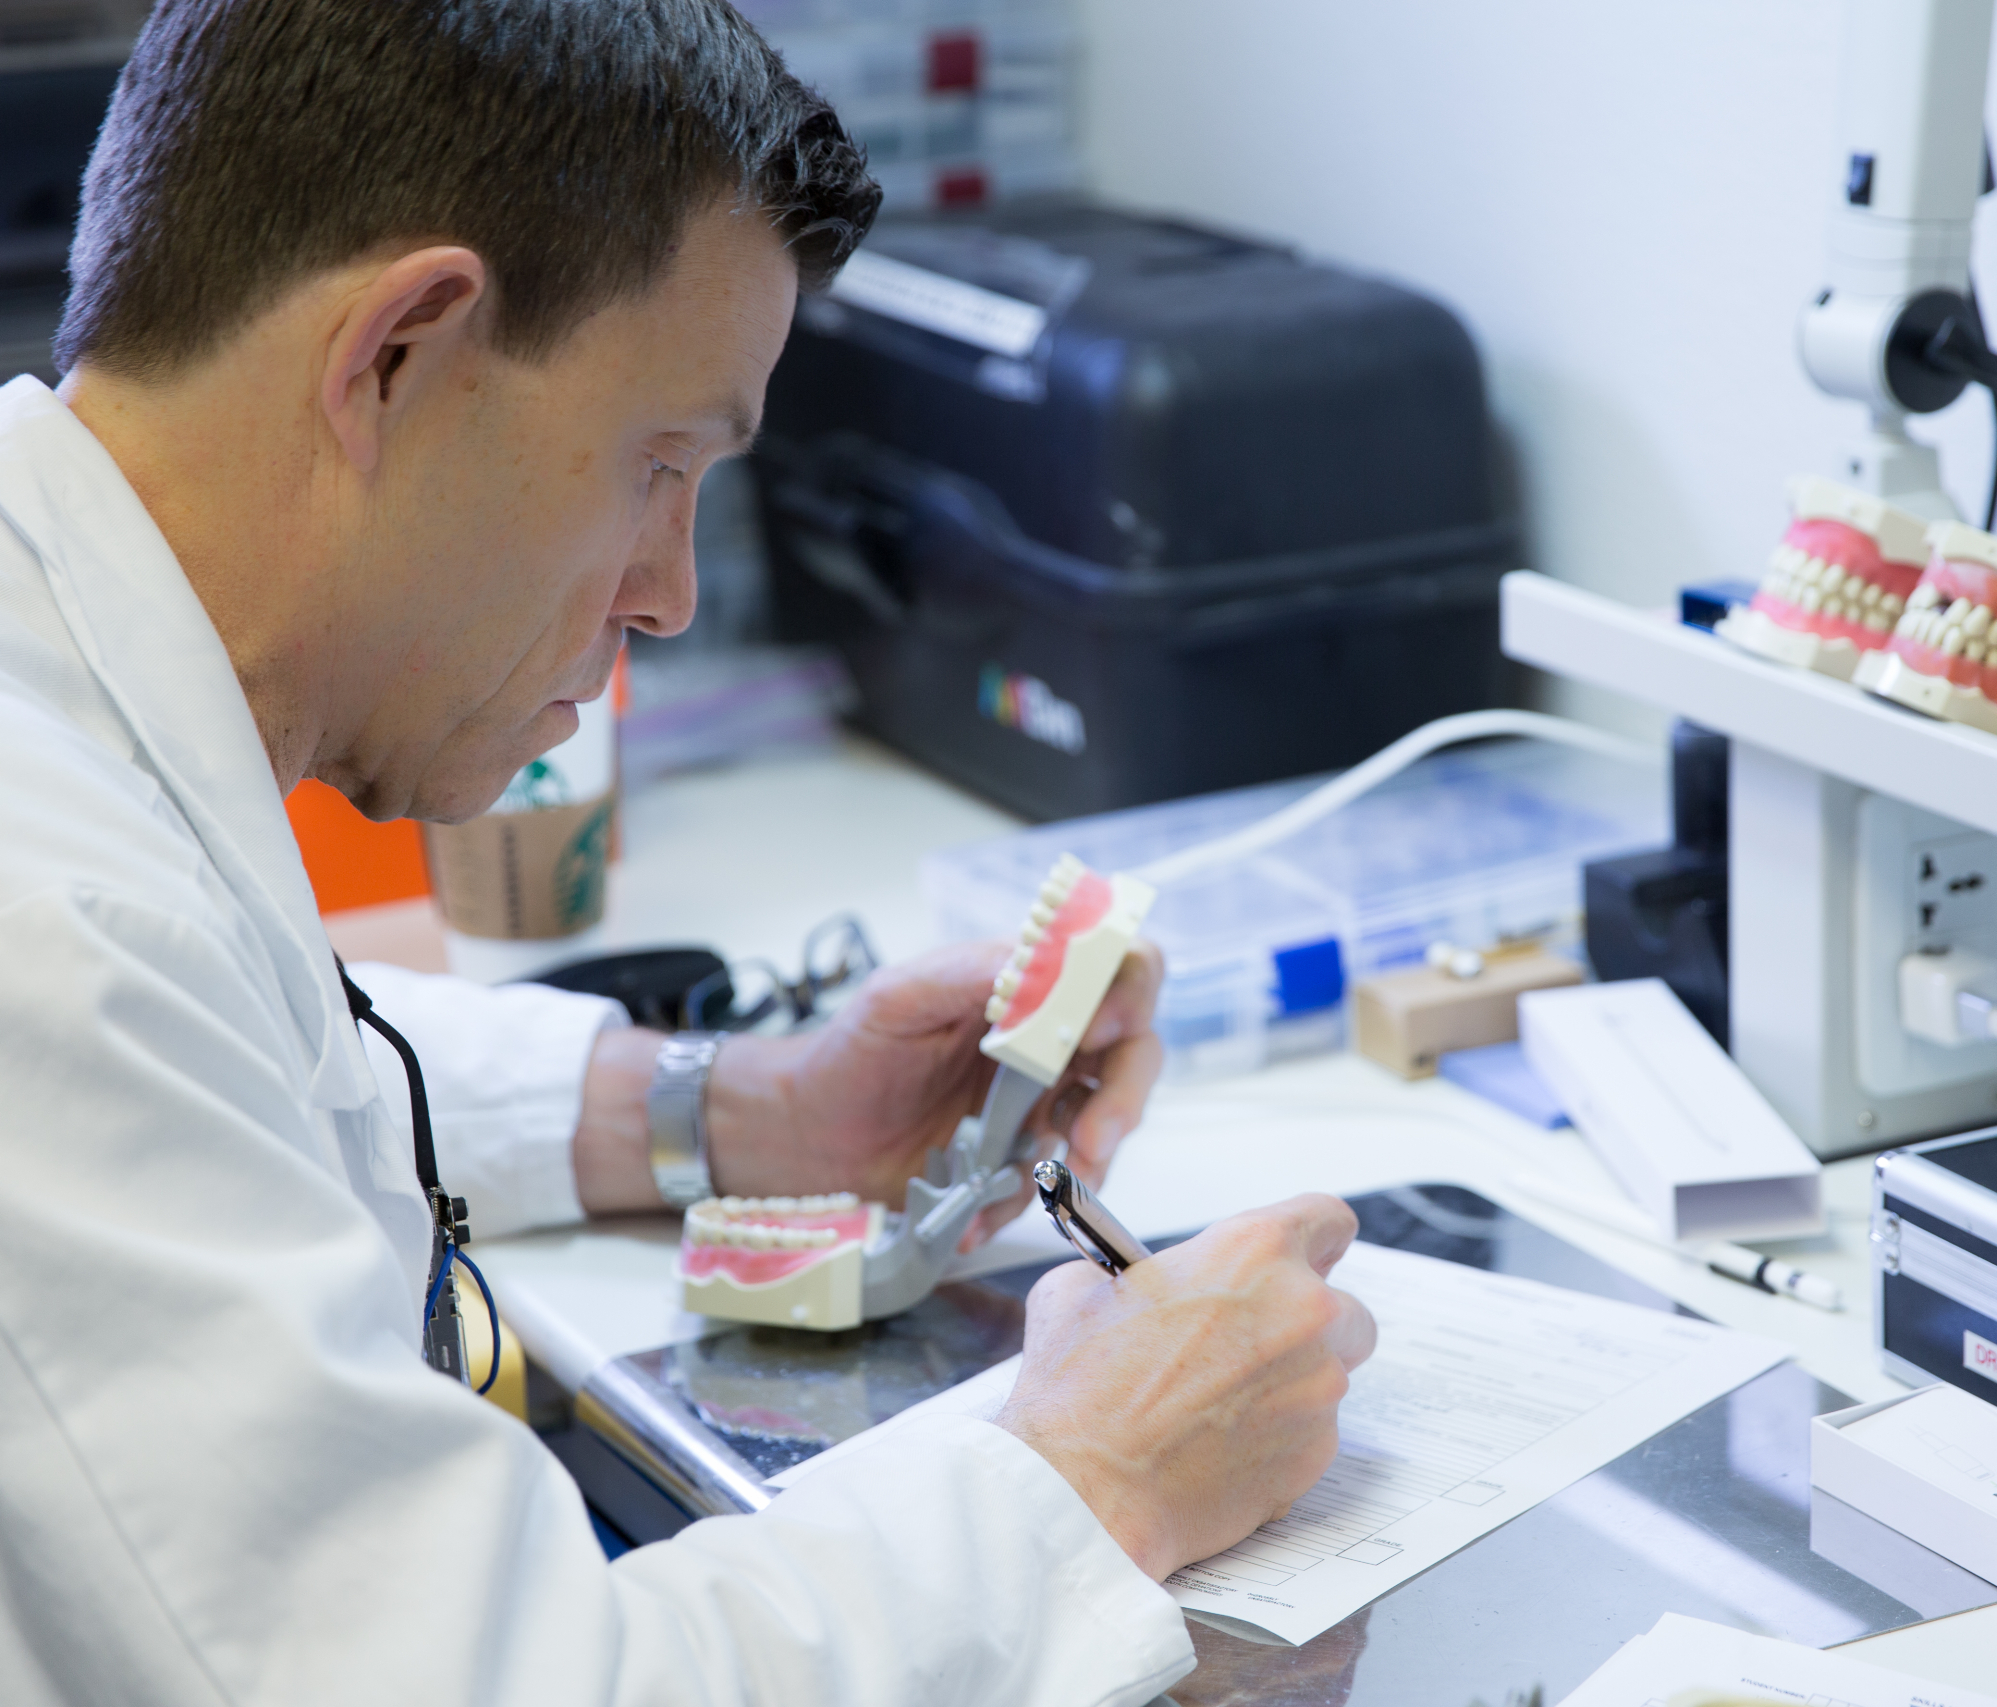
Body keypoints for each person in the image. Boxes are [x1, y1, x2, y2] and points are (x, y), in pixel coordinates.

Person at [0, 3, 1378, 1704]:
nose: (672, 593)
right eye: (661, 465)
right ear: (398, 357)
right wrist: (1100, 1468)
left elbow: (241, 1057)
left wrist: (747, 1107)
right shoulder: (45, 935)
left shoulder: (74, 745)